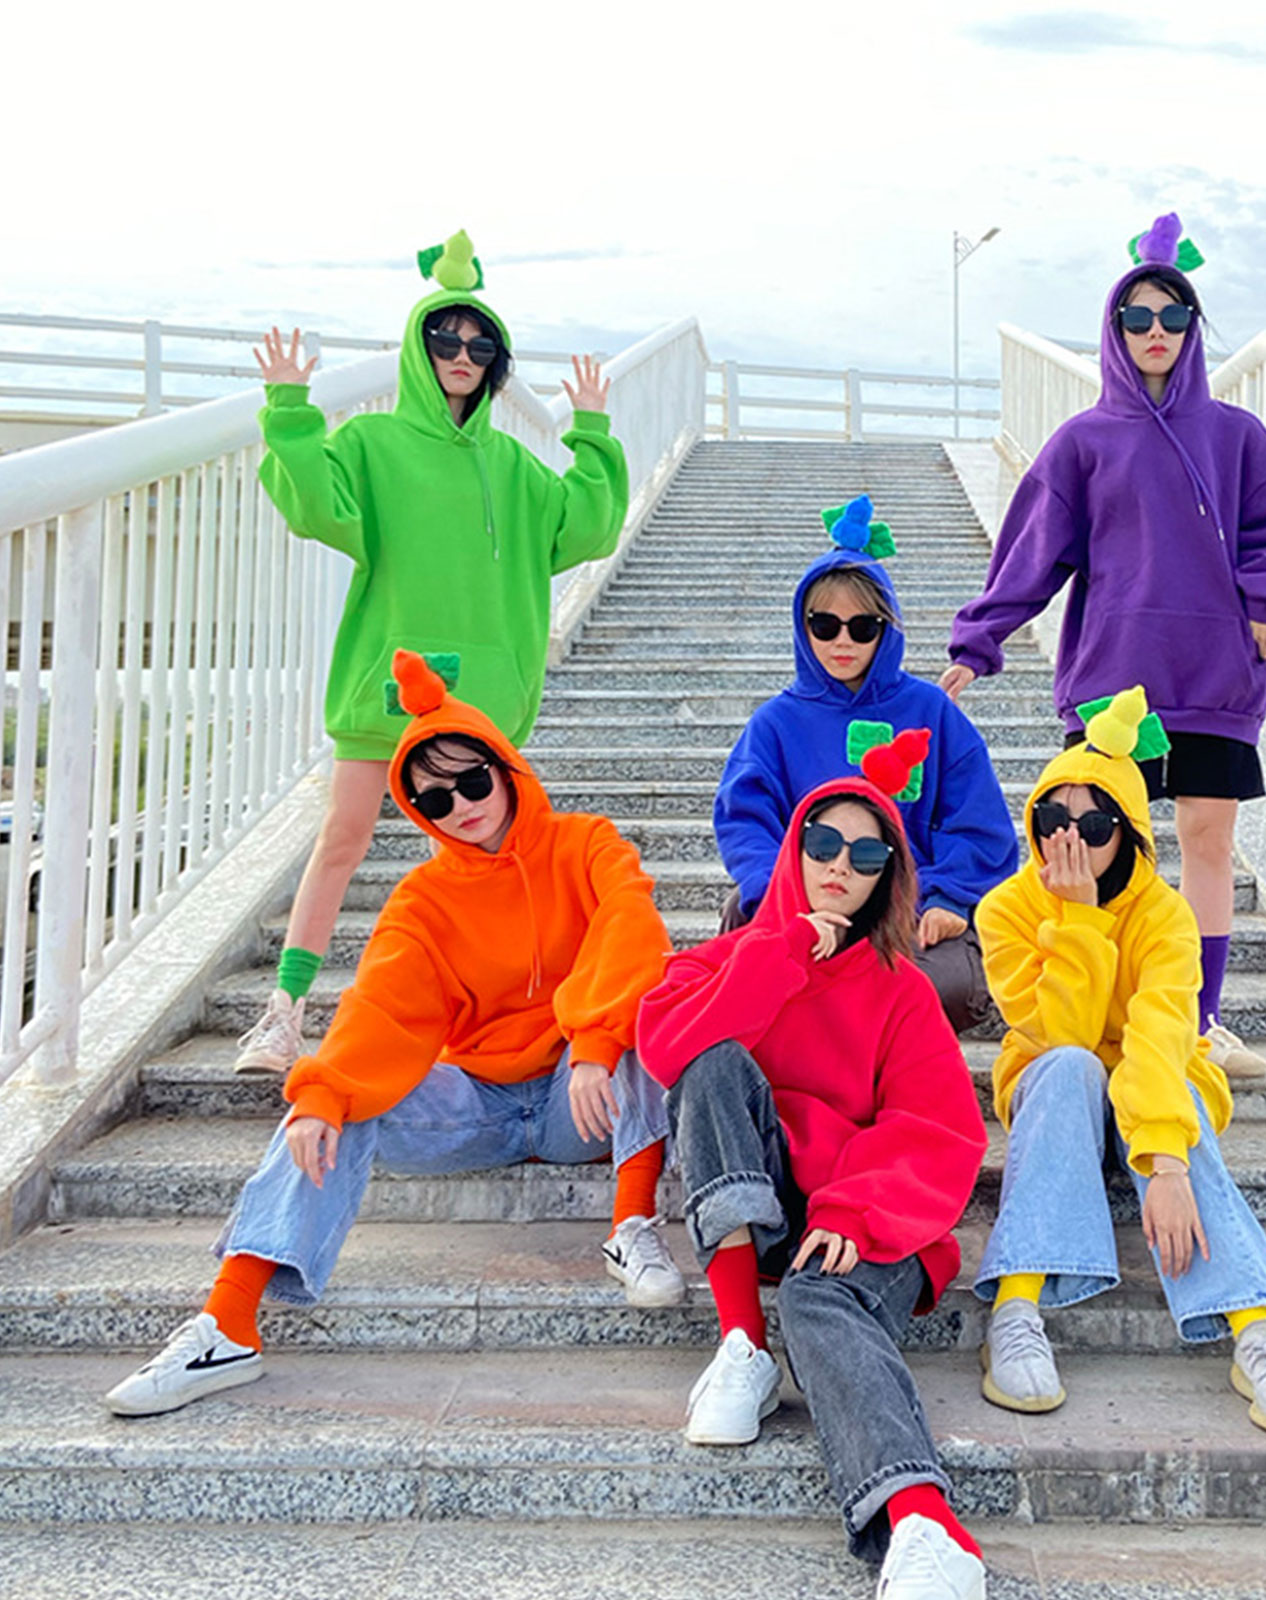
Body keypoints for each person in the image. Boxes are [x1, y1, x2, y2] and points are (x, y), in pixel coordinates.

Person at [106, 650, 681, 1418]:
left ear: (505, 768)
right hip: (475, 1107)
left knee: (653, 1015)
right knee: (328, 1099)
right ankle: (228, 1322)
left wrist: (595, 1044)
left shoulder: (585, 843)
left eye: (472, 781)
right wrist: (321, 1095)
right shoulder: (422, 899)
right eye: (433, 799)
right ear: (416, 811)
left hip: (577, 1104)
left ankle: (631, 1225)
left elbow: (631, 929)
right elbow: (380, 1007)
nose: (461, 806)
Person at [236, 229, 629, 1075]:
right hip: (385, 682)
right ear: (420, 348)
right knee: (343, 838)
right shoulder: (374, 445)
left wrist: (593, 430)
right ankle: (283, 1014)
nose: (461, 356)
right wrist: (291, 411)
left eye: (479, 346)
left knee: (465, 873)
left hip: (479, 698)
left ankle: (459, 1028)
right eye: (445, 339)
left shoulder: (512, 465)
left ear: (495, 362)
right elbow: (316, 506)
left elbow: (587, 527)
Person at [942, 214, 1266, 1077]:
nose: (1156, 331)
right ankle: (1102, 1019)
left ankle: (1197, 1024)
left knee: (1207, 842)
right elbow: (1033, 553)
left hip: (1218, 678)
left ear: (1192, 329)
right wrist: (979, 640)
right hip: (1114, 688)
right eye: (1138, 317)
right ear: (1114, 329)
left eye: (1173, 316)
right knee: (1100, 848)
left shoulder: (1237, 436)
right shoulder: (1083, 442)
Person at [638, 737, 991, 1600]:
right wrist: (782, 950)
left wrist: (852, 1212)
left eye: (866, 855)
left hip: (871, 1219)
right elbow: (670, 1052)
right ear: (794, 849)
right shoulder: (723, 961)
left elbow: (936, 1127)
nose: (840, 865)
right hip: (762, 1208)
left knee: (816, 1298)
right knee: (713, 1063)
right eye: (823, 843)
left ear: (886, 877)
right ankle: (741, 1342)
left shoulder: (902, 988)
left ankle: (927, 1527)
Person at [971, 686, 1266, 1438]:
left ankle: (1257, 1329)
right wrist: (1076, 919)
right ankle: (1016, 1307)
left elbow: (1161, 1036)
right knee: (1070, 1066)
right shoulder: (1007, 908)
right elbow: (1058, 1033)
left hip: (1151, 1082)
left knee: (1178, 1099)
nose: (1069, 839)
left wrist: (1165, 1166)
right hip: (1055, 1084)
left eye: (1094, 824)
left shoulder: (1165, 915)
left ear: (1129, 834)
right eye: (1052, 819)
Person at [714, 495, 1016, 1034]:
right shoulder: (775, 723)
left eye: (863, 626)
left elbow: (978, 823)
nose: (843, 641)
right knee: (744, 920)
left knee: (943, 982)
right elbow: (745, 820)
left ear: (887, 628)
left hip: (908, 913)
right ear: (803, 625)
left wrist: (948, 897)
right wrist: (782, 896)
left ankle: (840, 1024)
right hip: (810, 904)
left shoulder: (932, 712)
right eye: (825, 624)